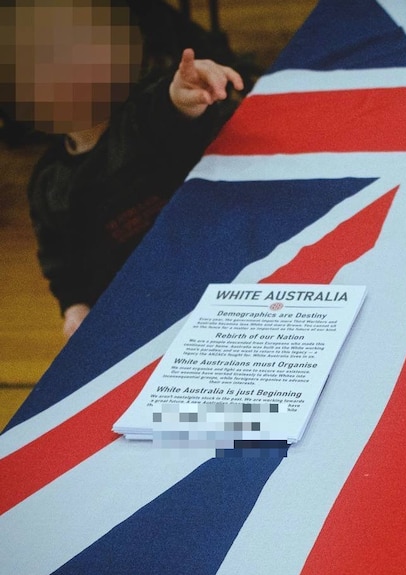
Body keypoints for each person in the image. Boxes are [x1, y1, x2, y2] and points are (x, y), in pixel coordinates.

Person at [3, 1, 243, 338]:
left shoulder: (140, 117)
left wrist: (182, 94)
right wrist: (75, 306)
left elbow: (167, 109)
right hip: (135, 314)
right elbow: (60, 261)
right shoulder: (48, 184)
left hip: (212, 277)